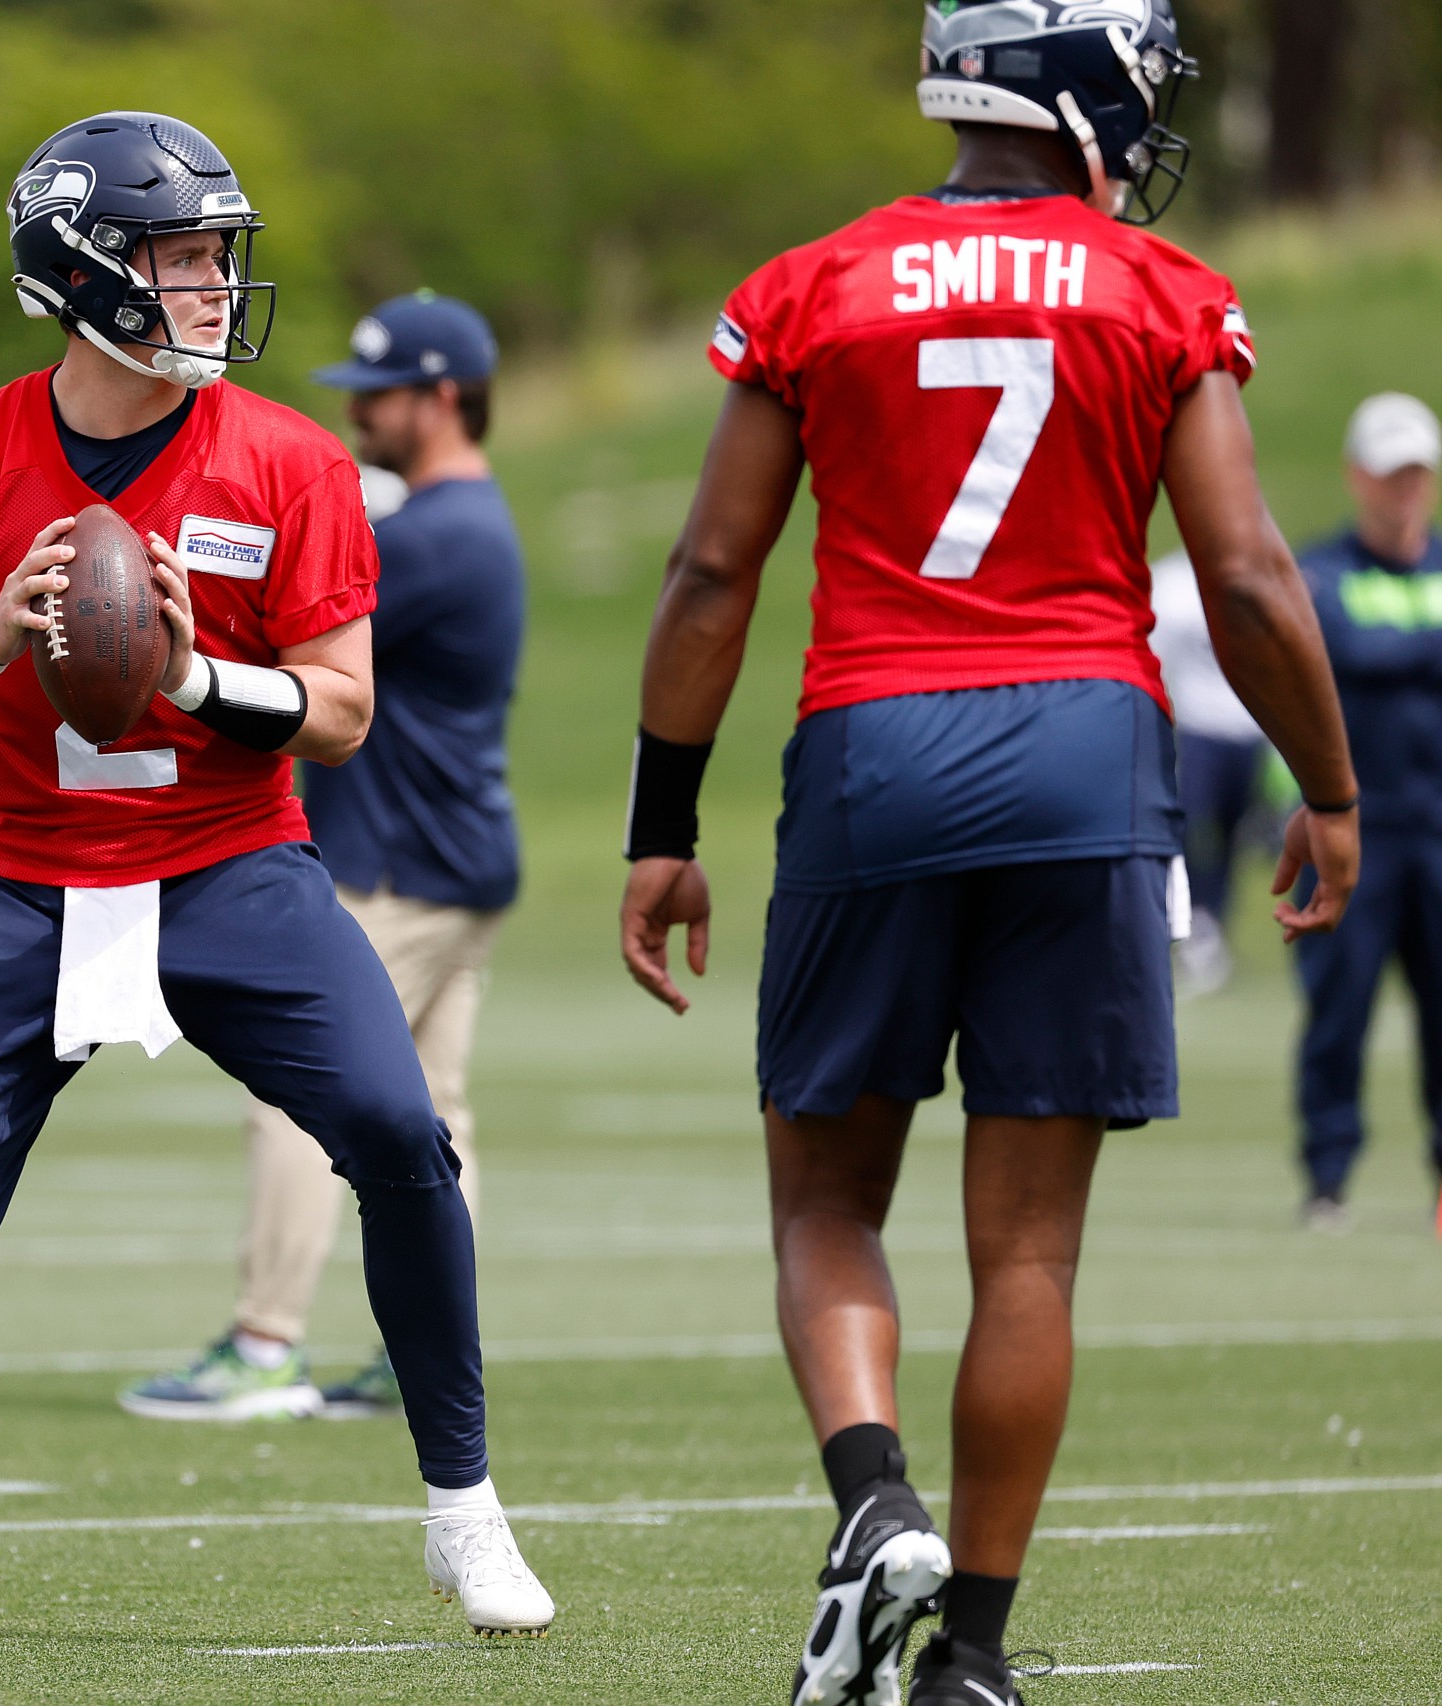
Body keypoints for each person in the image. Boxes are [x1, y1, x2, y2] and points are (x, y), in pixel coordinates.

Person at [615, 7, 1358, 1704]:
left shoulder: (815, 283)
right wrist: (1332, 785)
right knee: (1028, 1253)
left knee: (824, 1196)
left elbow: (710, 573)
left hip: (875, 753)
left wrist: (665, 828)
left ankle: (874, 1499)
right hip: (1090, 763)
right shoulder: (1160, 292)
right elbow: (1243, 574)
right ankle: (978, 1662)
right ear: (1078, 91)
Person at [0, 113, 553, 1643]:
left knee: (397, 1128)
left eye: (215, 257)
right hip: (28, 873)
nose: (210, 287)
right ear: (81, 268)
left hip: (234, 863)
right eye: (181, 256)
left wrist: (189, 678)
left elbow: (342, 706)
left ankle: (465, 1509)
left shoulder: (293, 457)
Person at [120, 291, 524, 1423]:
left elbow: (285, 619)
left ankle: (264, 1345)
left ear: (443, 397)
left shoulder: (437, 537)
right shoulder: (469, 521)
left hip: (397, 862)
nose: (362, 416)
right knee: (434, 1108)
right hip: (461, 854)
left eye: (383, 396)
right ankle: (424, 1349)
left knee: (301, 1098)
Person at [1289, 392, 1442, 1233]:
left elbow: (1375, 653)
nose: (1404, 489)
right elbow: (1343, 647)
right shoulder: (1321, 572)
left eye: (1417, 473)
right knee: (1339, 1011)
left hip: (1439, 830)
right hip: (1355, 833)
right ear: (1358, 476)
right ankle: (1327, 1178)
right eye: (1390, 474)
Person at [1148, 547, 1266, 992]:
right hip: (1197, 730)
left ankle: (1211, 919)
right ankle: (1188, 918)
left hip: (1249, 729)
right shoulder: (1172, 583)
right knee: (1190, 824)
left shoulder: (1255, 572)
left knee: (1236, 832)